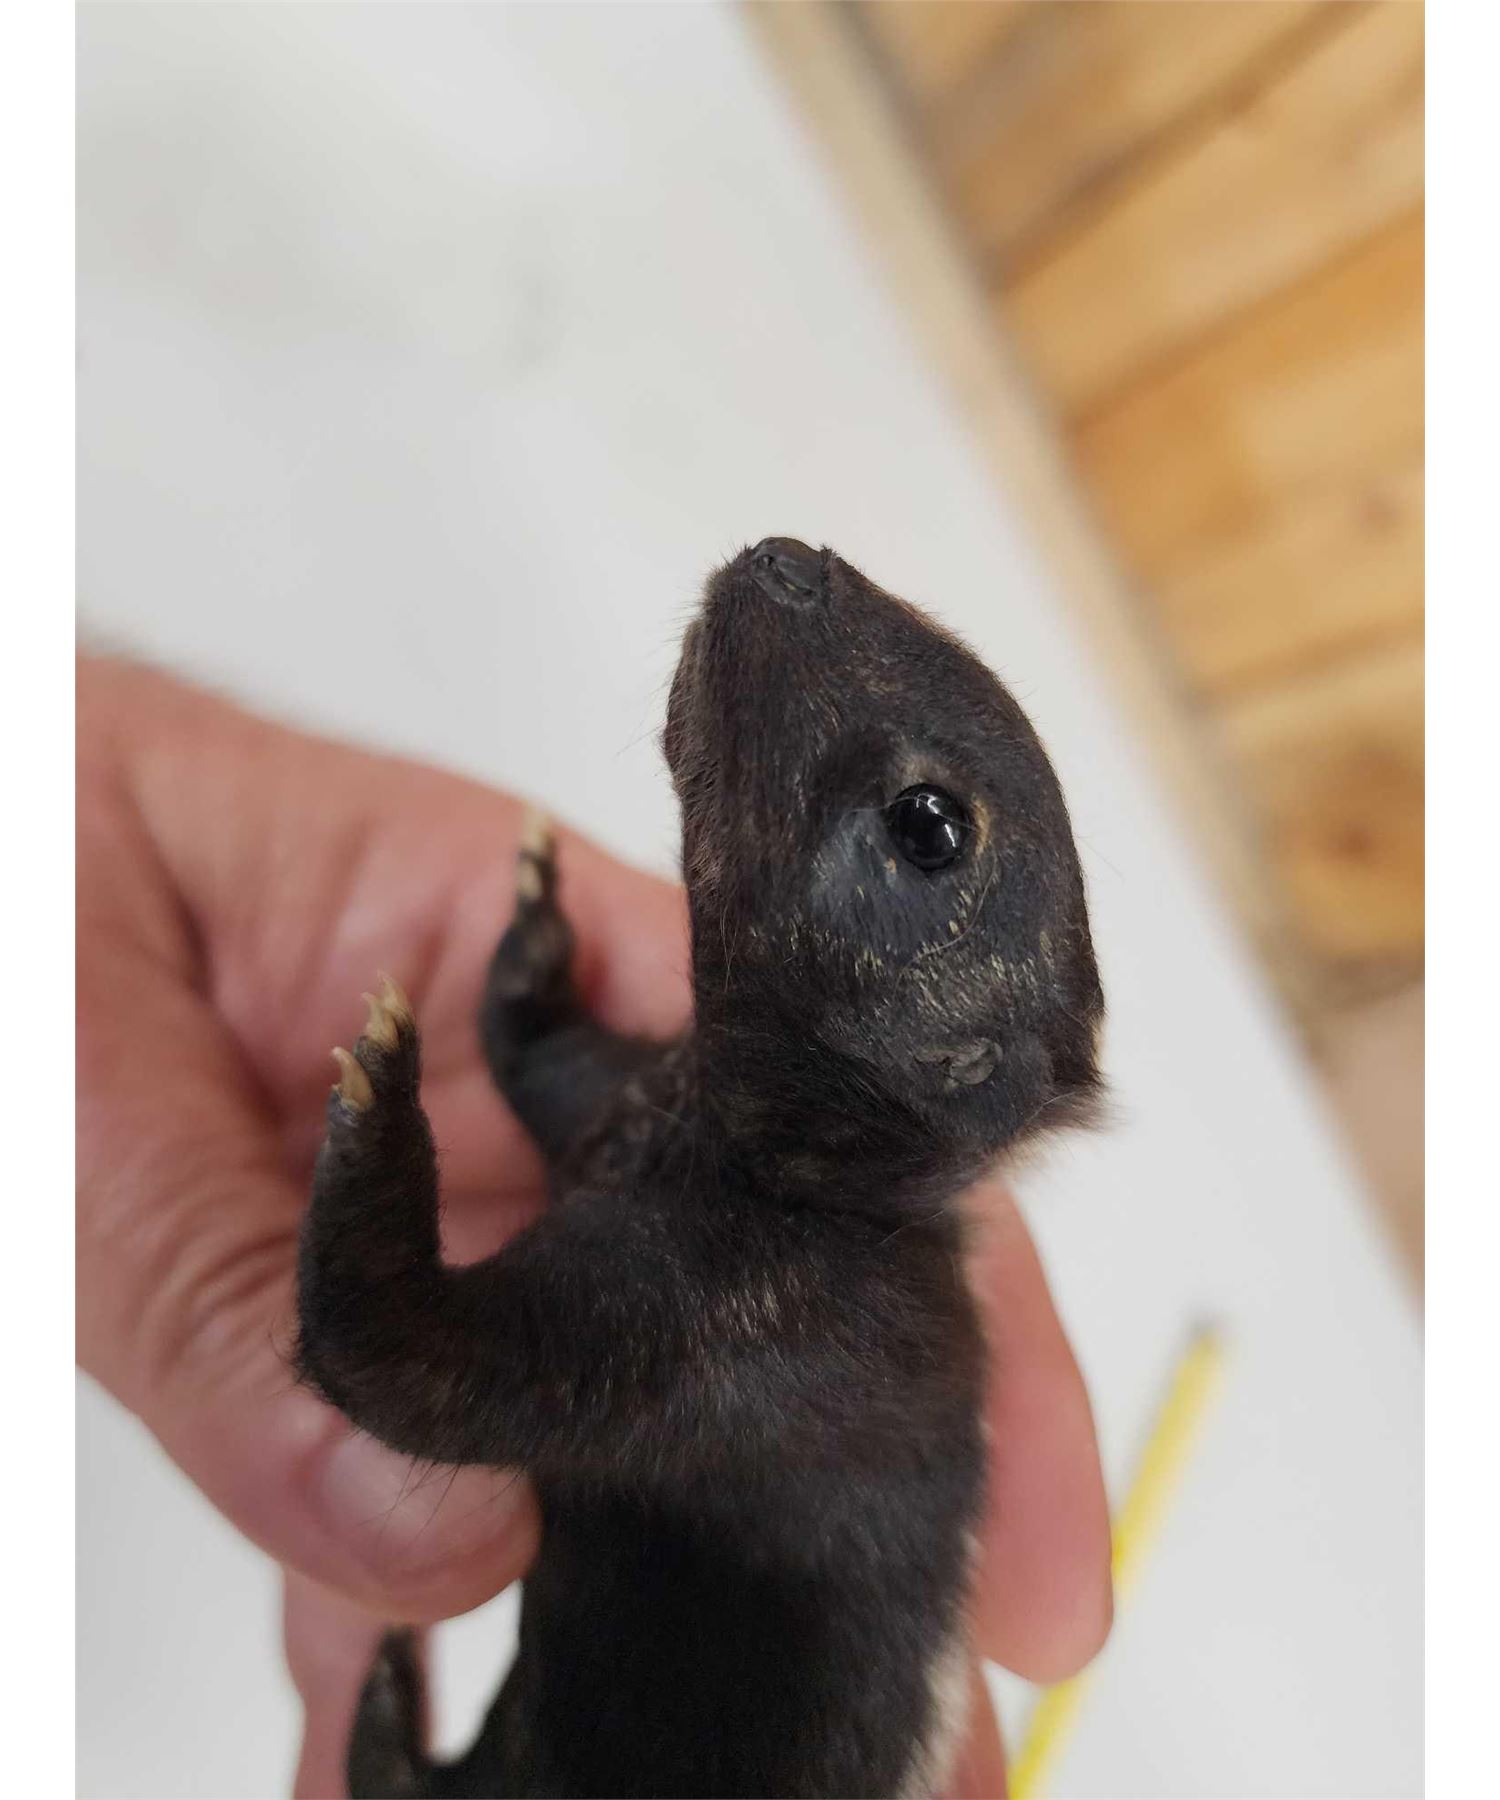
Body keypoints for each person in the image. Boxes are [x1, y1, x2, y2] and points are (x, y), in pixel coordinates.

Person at [76, 654, 1113, 1798]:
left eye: (925, 831)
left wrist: (375, 1184)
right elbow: (613, 1143)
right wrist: (534, 1039)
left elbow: (403, 1358)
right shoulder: (775, 1204)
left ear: (962, 1062)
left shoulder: (781, 1325)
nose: (799, 579)